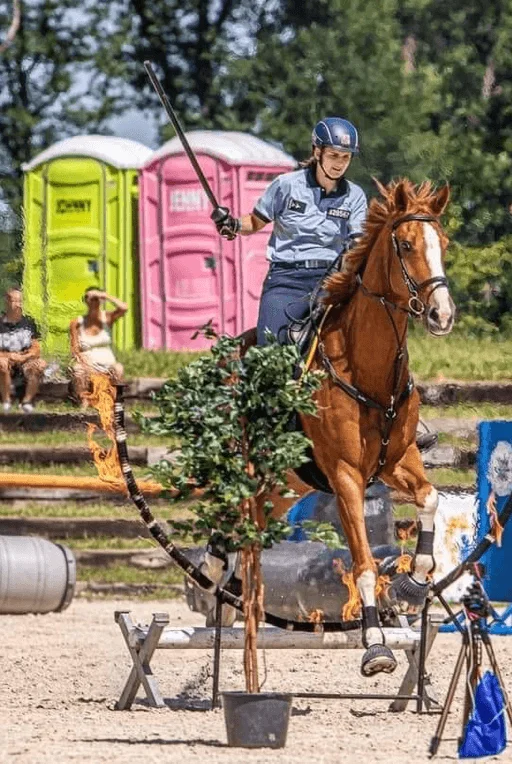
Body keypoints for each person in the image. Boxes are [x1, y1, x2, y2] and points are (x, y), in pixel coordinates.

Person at [211, 117, 367, 345]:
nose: (340, 163)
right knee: (270, 348)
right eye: (334, 155)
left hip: (331, 281)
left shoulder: (355, 196)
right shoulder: (286, 185)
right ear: (317, 151)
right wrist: (233, 224)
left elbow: (358, 243)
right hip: (286, 279)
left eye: (346, 157)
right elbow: (255, 222)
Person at [69, 288, 127, 409]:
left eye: (97, 299)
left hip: (107, 364)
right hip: (88, 364)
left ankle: (117, 403)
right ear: (86, 301)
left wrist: (105, 296)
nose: (94, 302)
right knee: (77, 369)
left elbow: (124, 308)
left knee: (119, 368)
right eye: (91, 299)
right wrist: (84, 362)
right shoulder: (77, 322)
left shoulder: (107, 317)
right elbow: (74, 349)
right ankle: (83, 402)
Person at [0, 287, 47, 413]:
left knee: (40, 364)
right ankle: (6, 401)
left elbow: (36, 348)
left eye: (20, 301)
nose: (17, 304)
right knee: (2, 362)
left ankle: (26, 401)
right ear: (7, 301)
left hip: (25, 359)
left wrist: (25, 357)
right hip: (6, 360)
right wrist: (10, 356)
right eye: (14, 300)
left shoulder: (29, 323)